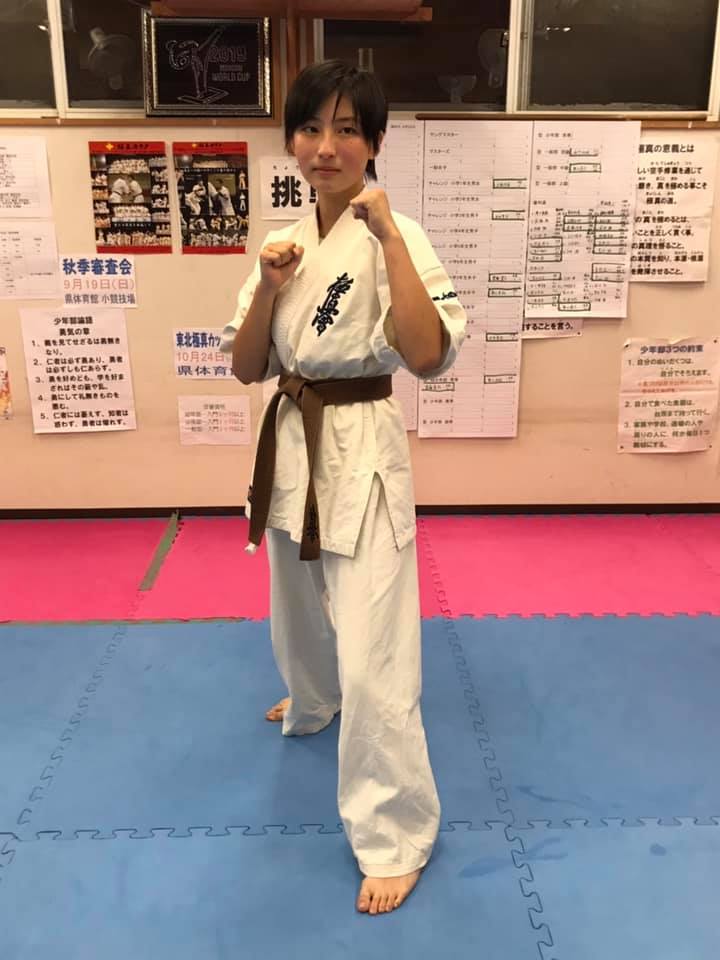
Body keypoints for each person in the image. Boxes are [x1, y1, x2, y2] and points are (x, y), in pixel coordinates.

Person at [220, 60, 466, 916]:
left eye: (348, 130)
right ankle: (313, 698)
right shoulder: (284, 243)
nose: (326, 147)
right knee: (296, 604)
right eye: (311, 128)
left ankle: (395, 832)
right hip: (293, 438)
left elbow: (426, 355)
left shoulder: (399, 234)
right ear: (291, 140)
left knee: (375, 654)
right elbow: (247, 364)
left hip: (360, 442)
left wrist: (390, 236)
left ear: (375, 142)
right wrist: (269, 289)